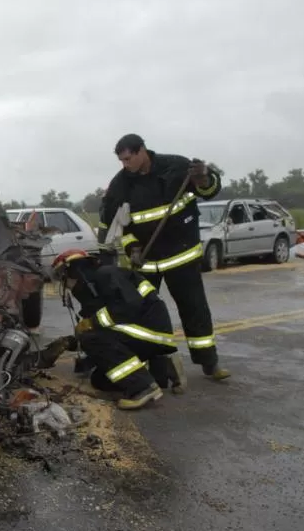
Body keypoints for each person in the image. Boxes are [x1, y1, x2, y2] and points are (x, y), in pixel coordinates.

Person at [98, 134, 230, 381]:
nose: (125, 165)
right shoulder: (121, 185)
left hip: (183, 256)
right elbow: (119, 228)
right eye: (121, 161)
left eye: (128, 159)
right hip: (146, 262)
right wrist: (133, 249)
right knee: (145, 315)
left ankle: (209, 364)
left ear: (142, 151)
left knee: (195, 311)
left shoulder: (177, 167)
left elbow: (209, 191)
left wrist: (203, 177)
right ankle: (154, 368)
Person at [53, 249, 186, 410]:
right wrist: (73, 343)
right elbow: (103, 337)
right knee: (100, 380)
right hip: (136, 333)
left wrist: (90, 325)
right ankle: (161, 368)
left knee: (90, 337)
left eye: (62, 276)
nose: (64, 283)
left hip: (148, 331)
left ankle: (144, 388)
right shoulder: (90, 287)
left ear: (73, 269)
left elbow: (127, 308)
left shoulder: (106, 275)